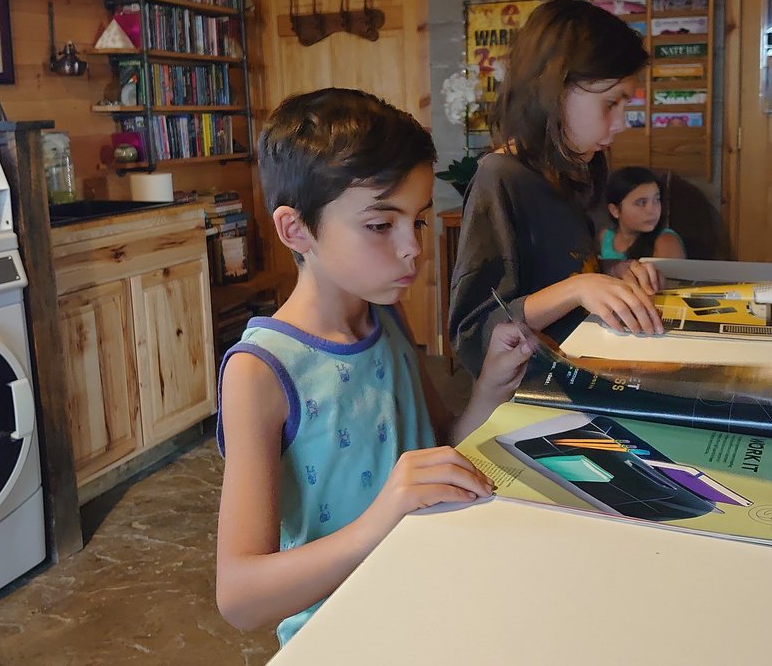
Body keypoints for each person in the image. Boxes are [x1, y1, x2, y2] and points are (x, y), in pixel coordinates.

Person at [214, 88, 533, 647]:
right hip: (347, 635)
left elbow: (437, 447)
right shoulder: (261, 371)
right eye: (382, 225)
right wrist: (384, 518)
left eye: (419, 221)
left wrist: (490, 386)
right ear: (296, 230)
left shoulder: (387, 317)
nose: (413, 247)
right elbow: (240, 597)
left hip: (433, 596)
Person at [449, 0, 665, 378]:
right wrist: (578, 289)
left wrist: (612, 276)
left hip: (589, 364)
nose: (622, 123)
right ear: (556, 90)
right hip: (532, 388)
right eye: (612, 103)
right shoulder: (499, 177)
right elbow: (474, 333)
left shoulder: (583, 167)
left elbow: (572, 267)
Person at [602, 166, 687, 261]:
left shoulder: (666, 242)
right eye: (641, 203)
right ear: (615, 210)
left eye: (656, 200)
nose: (652, 210)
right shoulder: (605, 237)